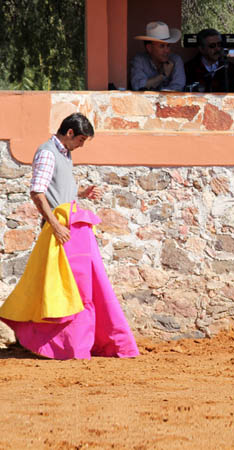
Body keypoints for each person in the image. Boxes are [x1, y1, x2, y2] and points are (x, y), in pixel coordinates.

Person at [0, 113, 139, 359]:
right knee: (66, 288)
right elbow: (38, 193)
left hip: (68, 228)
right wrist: (54, 225)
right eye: (82, 140)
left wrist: (81, 193)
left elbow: (58, 191)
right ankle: (60, 344)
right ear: (70, 133)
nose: (82, 145)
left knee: (66, 287)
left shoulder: (65, 154)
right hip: (60, 231)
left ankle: (63, 342)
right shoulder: (47, 152)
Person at [130, 21, 186, 91]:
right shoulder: (140, 60)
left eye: (168, 45)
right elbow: (138, 86)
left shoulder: (175, 60)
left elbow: (178, 88)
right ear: (149, 48)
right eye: (162, 46)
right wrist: (163, 75)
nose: (167, 50)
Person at [184, 28, 234, 92]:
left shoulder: (232, 70)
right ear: (201, 49)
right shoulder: (189, 69)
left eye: (219, 44)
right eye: (212, 45)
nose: (217, 49)